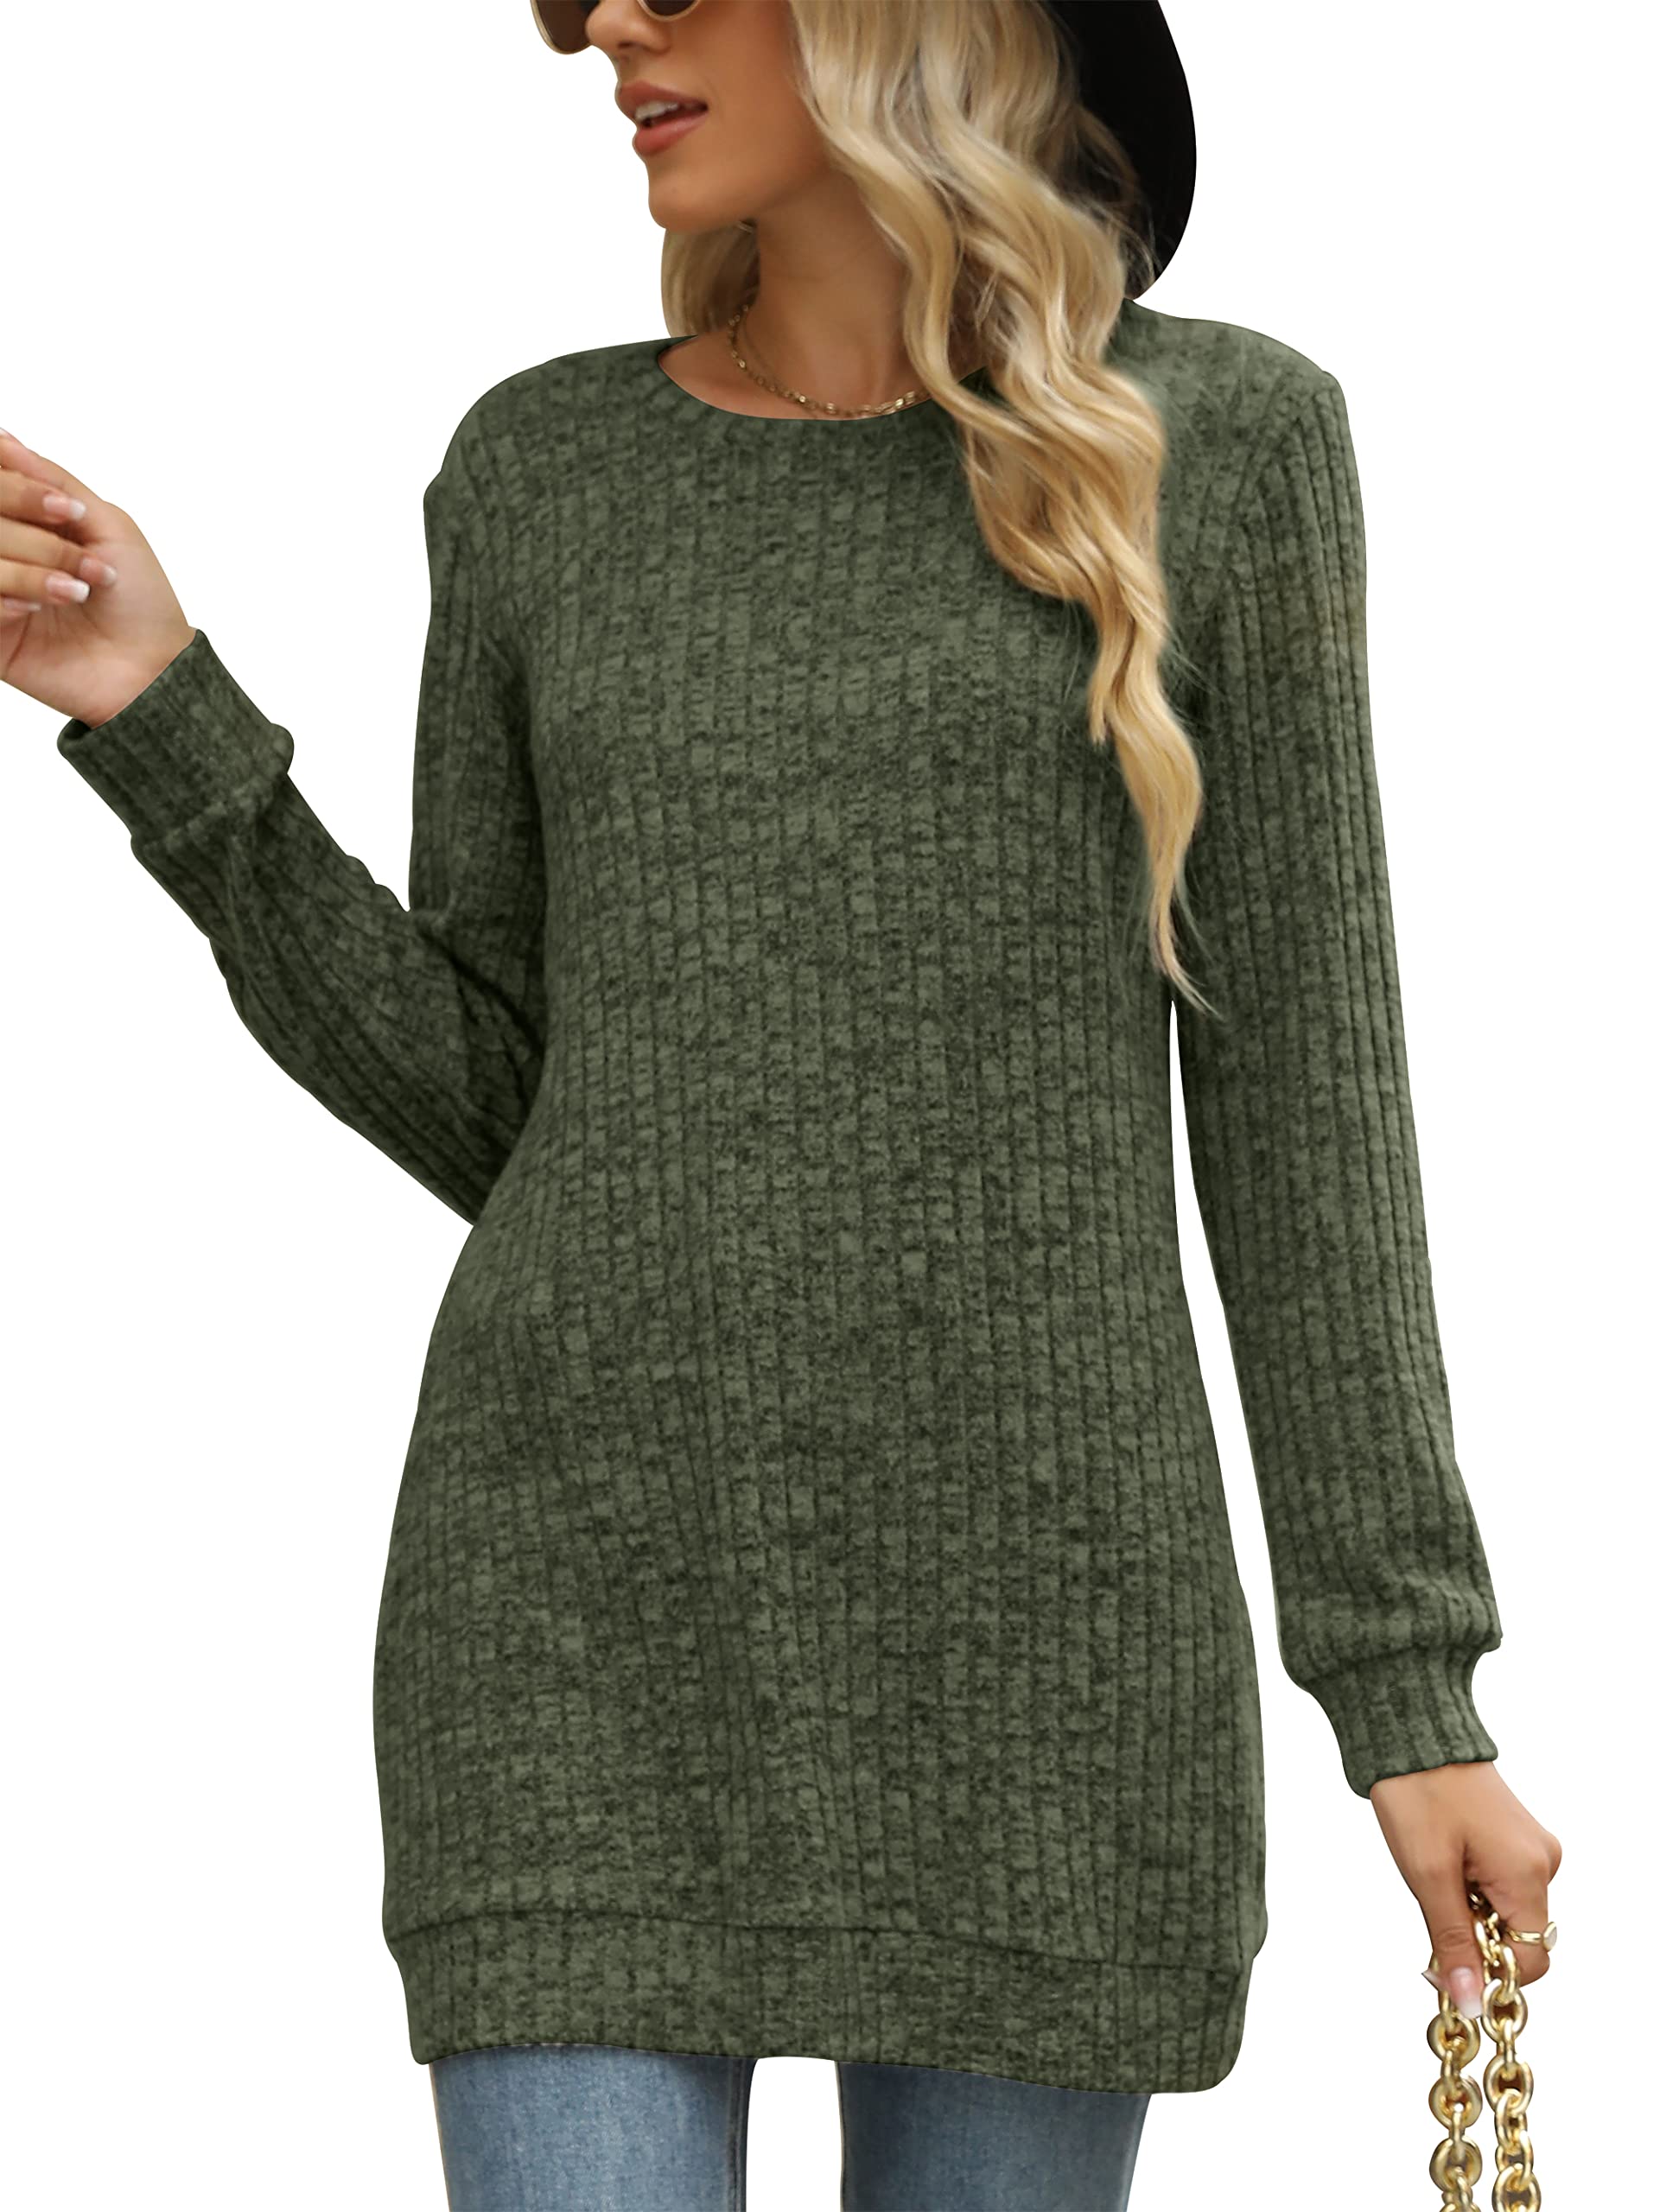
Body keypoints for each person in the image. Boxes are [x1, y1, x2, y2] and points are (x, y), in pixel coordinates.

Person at [3, 2, 1561, 2205]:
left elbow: (1307, 1106)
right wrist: (162, 715)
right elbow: (513, 1100)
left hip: (1045, 1641)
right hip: (574, 1630)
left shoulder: (1217, 439)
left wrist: (1407, 1691)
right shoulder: (542, 470)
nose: (610, 28)